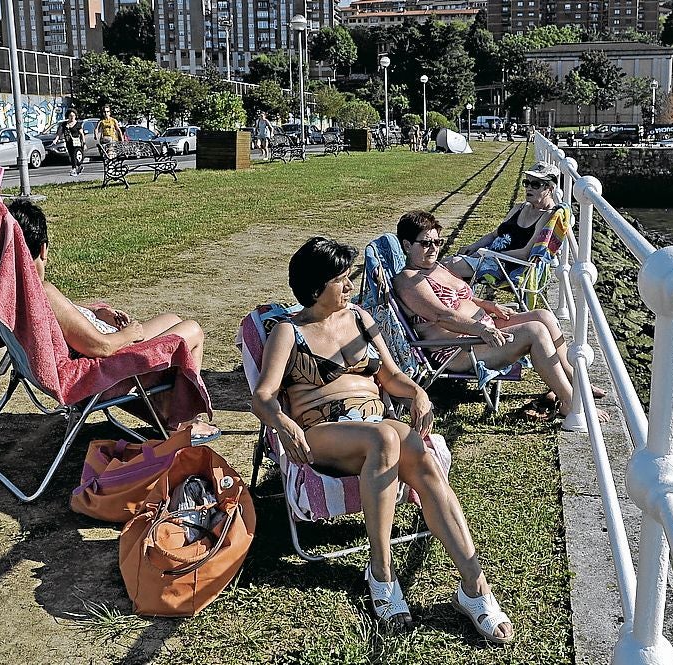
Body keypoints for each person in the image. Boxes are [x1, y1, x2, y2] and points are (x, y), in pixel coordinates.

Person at [251, 237, 514, 644]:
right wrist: (283, 423)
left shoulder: (359, 318)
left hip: (377, 427)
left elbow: (390, 376)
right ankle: (382, 572)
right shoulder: (289, 331)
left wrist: (418, 393)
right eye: (341, 280)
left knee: (418, 454)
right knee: (387, 438)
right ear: (316, 287)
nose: (350, 286)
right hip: (323, 433)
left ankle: (475, 586)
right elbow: (263, 396)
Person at [393, 211, 606, 420]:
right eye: (426, 243)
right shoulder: (410, 280)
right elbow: (442, 316)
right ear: (407, 245)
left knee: (543, 316)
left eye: (437, 242)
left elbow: (464, 297)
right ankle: (570, 404)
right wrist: (482, 329)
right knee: (535, 331)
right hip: (459, 349)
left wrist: (489, 305)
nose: (433, 248)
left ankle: (578, 382)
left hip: (481, 333)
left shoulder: (436, 267)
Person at [8, 199, 206, 374]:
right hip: (113, 362)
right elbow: (101, 347)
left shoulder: (16, 293)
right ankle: (179, 405)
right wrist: (129, 334)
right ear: (43, 248)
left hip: (112, 348)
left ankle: (166, 398)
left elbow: (62, 317)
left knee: (172, 319)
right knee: (193, 330)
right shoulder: (43, 291)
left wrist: (94, 312)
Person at [444, 161, 564, 282]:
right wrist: (473, 247)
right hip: (489, 256)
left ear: (550, 188)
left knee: (451, 265)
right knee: (442, 263)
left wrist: (487, 254)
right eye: (526, 183)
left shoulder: (547, 216)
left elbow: (525, 254)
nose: (528, 188)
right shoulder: (519, 208)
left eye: (535, 184)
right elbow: (494, 235)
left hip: (505, 266)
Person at [55, 109, 87, 176]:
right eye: (70, 116)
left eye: (73, 116)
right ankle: (79, 167)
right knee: (71, 156)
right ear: (68, 116)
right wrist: (56, 139)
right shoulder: (64, 124)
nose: (72, 117)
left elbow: (82, 134)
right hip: (69, 142)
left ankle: (74, 169)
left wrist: (84, 143)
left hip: (76, 142)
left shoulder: (77, 124)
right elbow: (60, 133)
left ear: (75, 116)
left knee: (75, 155)